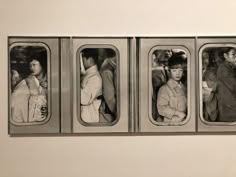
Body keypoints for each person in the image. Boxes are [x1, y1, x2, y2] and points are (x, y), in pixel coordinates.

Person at [157, 54, 187, 124]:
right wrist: (178, 113)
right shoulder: (164, 89)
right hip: (170, 125)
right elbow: (161, 108)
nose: (177, 73)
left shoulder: (184, 87)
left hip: (183, 124)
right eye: (174, 70)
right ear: (169, 71)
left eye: (180, 70)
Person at [80, 48, 102, 123]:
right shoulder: (88, 75)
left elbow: (85, 99)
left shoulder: (94, 78)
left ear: (90, 60)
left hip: (88, 120)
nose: (81, 61)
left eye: (83, 59)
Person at [26, 54, 48, 122]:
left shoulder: (52, 80)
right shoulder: (28, 81)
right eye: (30, 66)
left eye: (34, 65)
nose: (31, 68)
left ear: (42, 65)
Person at [216, 47, 236, 122]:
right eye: (233, 54)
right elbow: (234, 86)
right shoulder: (223, 68)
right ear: (225, 55)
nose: (235, 57)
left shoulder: (231, 67)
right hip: (229, 108)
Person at [152, 50, 170, 121]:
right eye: (165, 50)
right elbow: (154, 96)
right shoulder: (154, 71)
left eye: (169, 51)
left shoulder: (165, 68)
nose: (168, 53)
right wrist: (158, 115)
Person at [99, 49, 117, 123]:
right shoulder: (107, 70)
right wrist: (118, 113)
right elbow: (109, 98)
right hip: (110, 115)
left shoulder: (110, 66)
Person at [201, 51, 218, 121]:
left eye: (206, 58)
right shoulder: (191, 71)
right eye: (202, 58)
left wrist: (202, 83)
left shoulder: (212, 72)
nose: (204, 60)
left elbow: (216, 85)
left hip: (210, 108)